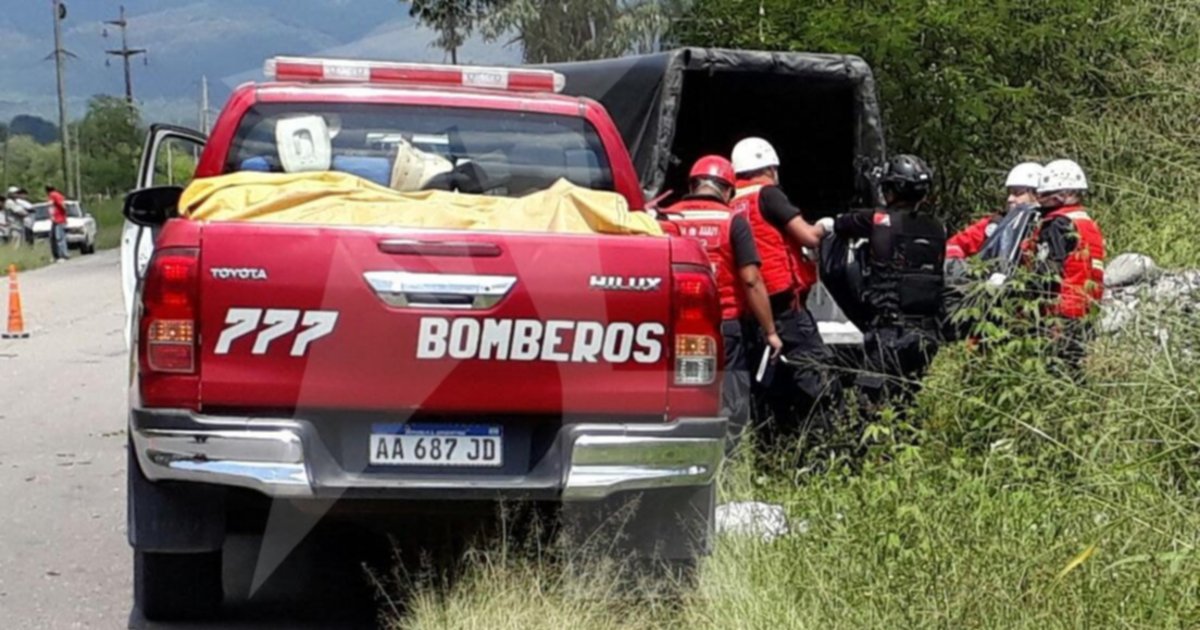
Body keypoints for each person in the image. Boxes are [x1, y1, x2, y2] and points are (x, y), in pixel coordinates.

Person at [663, 155, 783, 451]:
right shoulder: (733, 222)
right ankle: (726, 467)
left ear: (692, 184)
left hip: (674, 329)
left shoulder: (666, 218)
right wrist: (770, 331)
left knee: (682, 397)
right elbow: (752, 280)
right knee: (730, 402)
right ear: (728, 190)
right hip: (724, 327)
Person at [728, 137, 837, 442]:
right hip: (785, 307)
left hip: (753, 307)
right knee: (816, 372)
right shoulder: (769, 194)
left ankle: (771, 442)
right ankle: (826, 443)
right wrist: (827, 226)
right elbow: (808, 237)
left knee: (766, 380)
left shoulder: (732, 201)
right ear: (771, 168)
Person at [824, 154, 946, 407]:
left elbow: (838, 226)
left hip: (890, 333)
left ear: (891, 190)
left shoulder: (877, 220)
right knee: (907, 400)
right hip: (927, 334)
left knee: (869, 407)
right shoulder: (938, 227)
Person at [1024, 159, 1105, 373]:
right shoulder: (1085, 222)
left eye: (1044, 194)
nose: (1040, 200)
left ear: (1061, 194)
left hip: (1059, 312)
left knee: (1053, 371)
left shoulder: (1057, 224)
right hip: (1086, 309)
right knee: (1074, 368)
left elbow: (1048, 272)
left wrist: (1022, 294)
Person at [946, 162, 1042, 260]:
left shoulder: (1045, 228)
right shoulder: (994, 224)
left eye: (1018, 193)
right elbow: (956, 244)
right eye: (1010, 193)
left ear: (1037, 195)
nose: (1010, 198)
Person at [46, 185, 69, 261]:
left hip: (58, 219)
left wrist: (63, 212)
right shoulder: (56, 195)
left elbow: (60, 205)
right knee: (55, 238)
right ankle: (58, 255)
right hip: (58, 219)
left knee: (59, 238)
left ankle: (62, 255)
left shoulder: (53, 195)